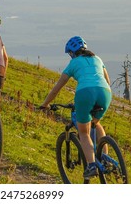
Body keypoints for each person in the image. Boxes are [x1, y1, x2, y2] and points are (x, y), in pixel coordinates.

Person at [38, 36, 112, 180]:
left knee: (84, 132)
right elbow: (107, 81)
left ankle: (91, 165)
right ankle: (105, 158)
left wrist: (45, 104)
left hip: (85, 93)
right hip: (105, 93)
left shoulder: (73, 64)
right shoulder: (97, 59)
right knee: (96, 124)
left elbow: (56, 89)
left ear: (72, 53)